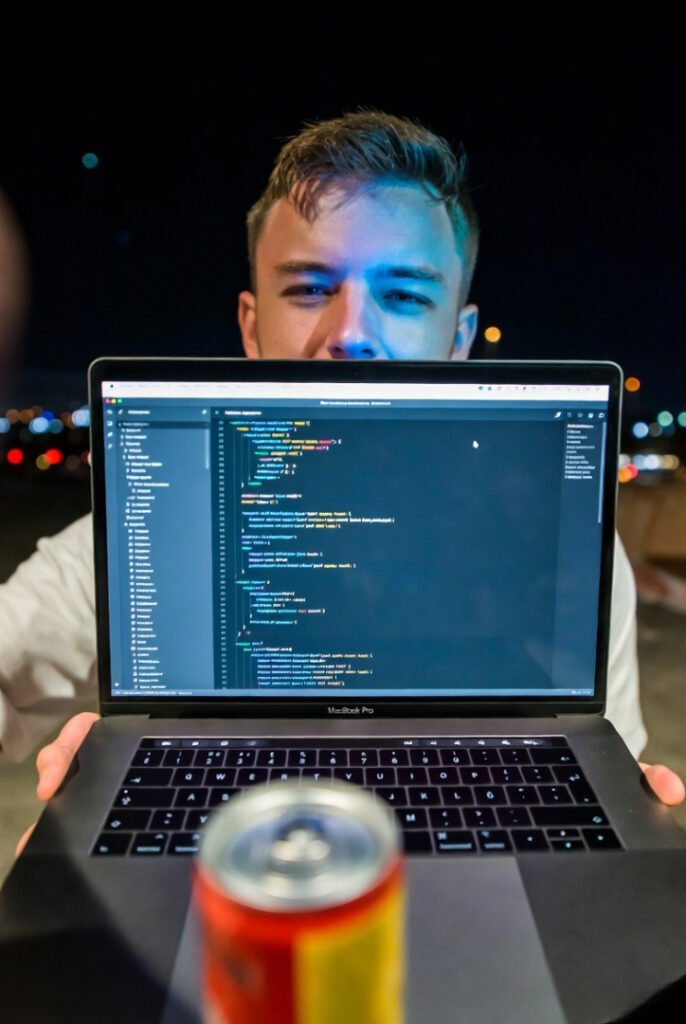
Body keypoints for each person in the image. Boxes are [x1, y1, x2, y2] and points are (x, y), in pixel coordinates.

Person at [4, 111, 684, 856]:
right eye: (308, 288)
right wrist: (91, 795)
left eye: (405, 295)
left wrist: (623, 815)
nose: (351, 333)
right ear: (251, 326)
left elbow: (606, 749)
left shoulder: (570, 560)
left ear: (459, 339)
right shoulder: (130, 548)